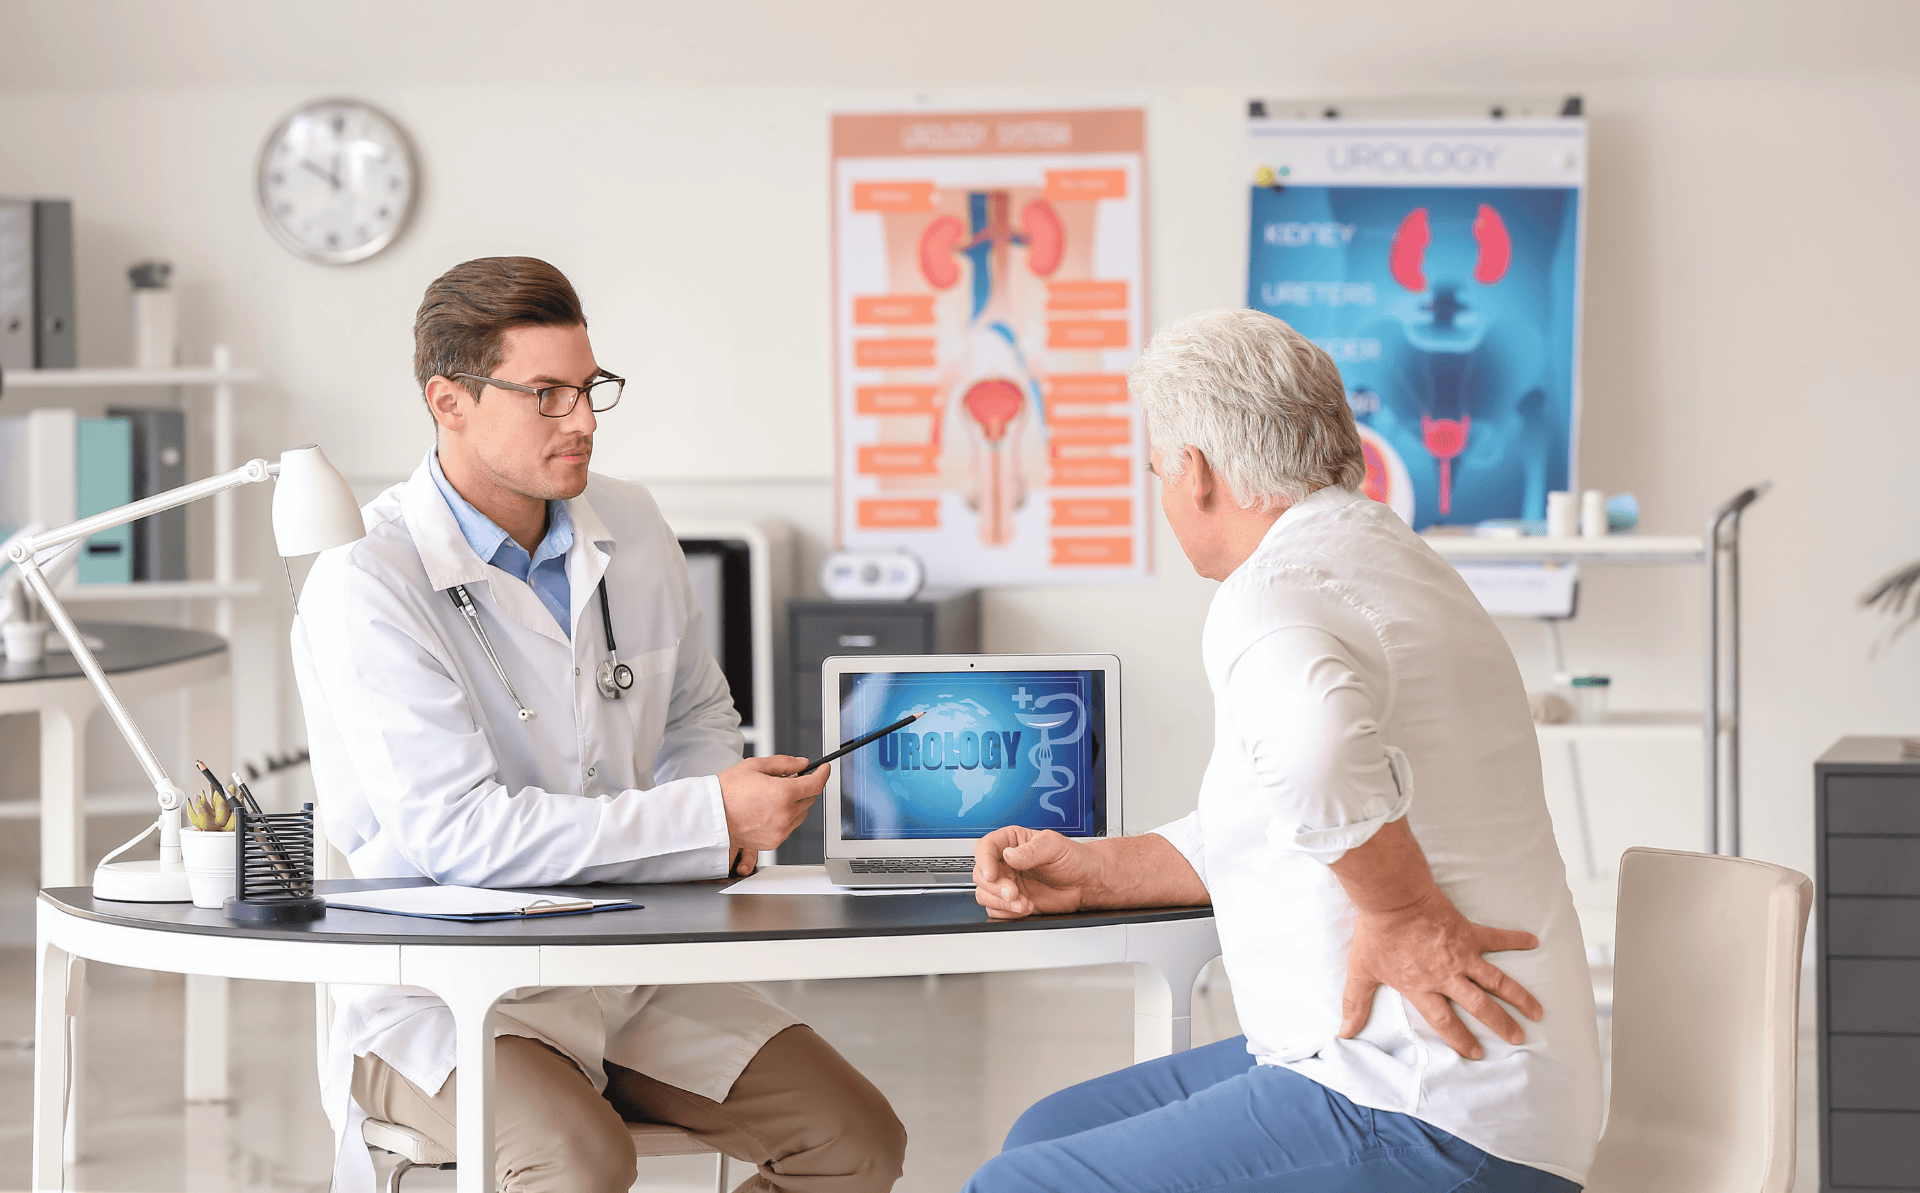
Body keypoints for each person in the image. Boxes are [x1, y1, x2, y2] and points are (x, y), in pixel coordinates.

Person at [292, 257, 906, 1193]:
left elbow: (697, 710)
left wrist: (722, 824)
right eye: (546, 394)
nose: (580, 420)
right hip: (448, 996)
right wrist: (706, 819)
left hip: (626, 970)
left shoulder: (630, 520)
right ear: (448, 401)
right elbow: (456, 837)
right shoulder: (369, 581)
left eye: (588, 389)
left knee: (854, 1139)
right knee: (576, 1161)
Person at [964, 308, 1602, 1193]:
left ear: (1195, 473)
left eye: (1157, 470)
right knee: (1052, 1129)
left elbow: (1315, 753)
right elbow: (1281, 809)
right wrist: (1094, 871)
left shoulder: (1271, 591)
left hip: (1428, 1107)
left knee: (1016, 1188)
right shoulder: (1387, 559)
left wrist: (1402, 911)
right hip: (1449, 1072)